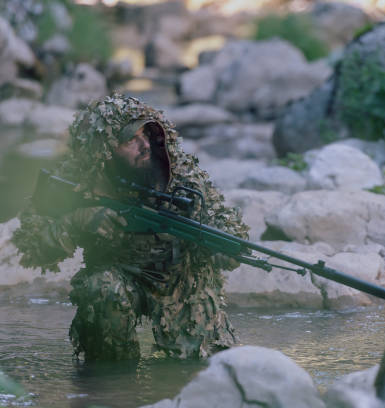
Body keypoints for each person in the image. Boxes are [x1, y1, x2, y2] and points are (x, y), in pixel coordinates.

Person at [12, 94, 249, 360]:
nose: (145, 145)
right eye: (130, 140)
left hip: (181, 285)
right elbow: (31, 247)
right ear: (104, 151)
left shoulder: (181, 175)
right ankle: (114, 381)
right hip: (117, 279)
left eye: (146, 134)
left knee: (189, 369)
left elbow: (226, 225)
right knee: (100, 289)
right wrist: (75, 222)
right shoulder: (76, 180)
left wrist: (226, 248)